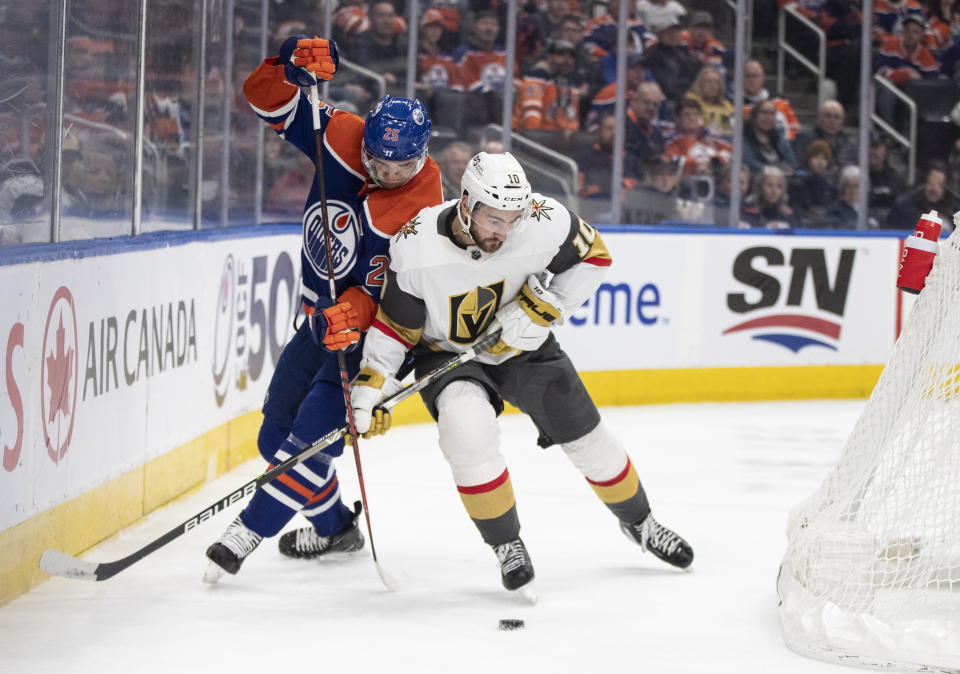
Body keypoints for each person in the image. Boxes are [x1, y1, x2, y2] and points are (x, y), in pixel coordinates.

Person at [348, 152, 694, 596]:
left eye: (513, 219)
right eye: (494, 219)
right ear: (467, 203)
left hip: (525, 349)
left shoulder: (542, 220)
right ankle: (506, 544)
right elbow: (397, 328)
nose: (504, 231)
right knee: (465, 428)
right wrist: (372, 388)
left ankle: (641, 524)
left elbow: (595, 256)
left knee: (590, 440)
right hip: (447, 354)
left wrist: (543, 311)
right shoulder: (415, 247)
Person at [204, 35, 443, 582]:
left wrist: (352, 315)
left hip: (373, 341)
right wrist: (287, 64)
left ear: (422, 154)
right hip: (318, 321)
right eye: (377, 162)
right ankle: (337, 529)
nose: (385, 173)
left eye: (399, 165)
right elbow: (263, 98)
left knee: (306, 443)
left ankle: (244, 533)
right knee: (273, 437)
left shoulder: (421, 208)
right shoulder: (341, 136)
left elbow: (389, 293)